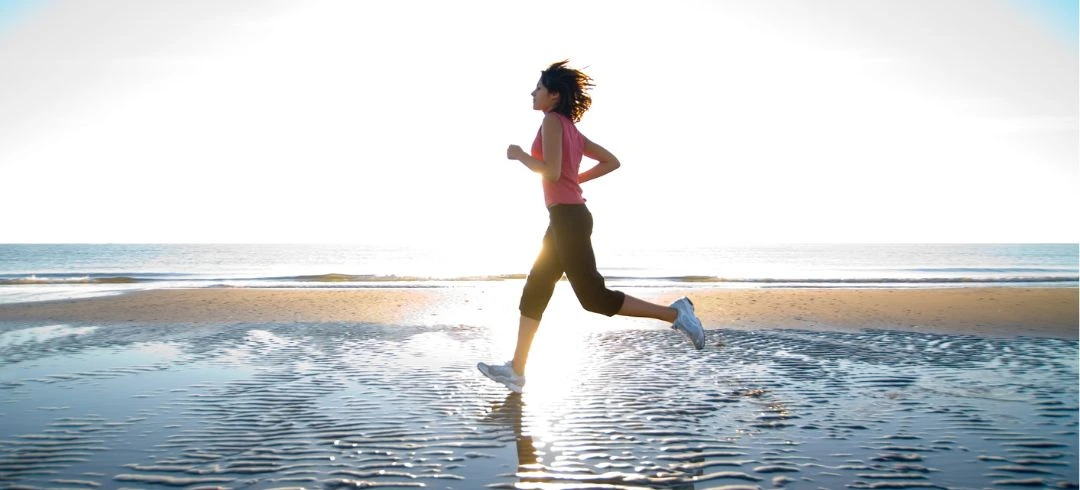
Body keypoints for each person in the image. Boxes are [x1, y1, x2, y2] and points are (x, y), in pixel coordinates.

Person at [478, 60, 706, 394]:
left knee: (593, 298)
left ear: (554, 95)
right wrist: (576, 178)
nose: (533, 92)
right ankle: (516, 370)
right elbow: (611, 161)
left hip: (569, 219)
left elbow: (551, 172)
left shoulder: (553, 122)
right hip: (565, 217)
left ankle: (675, 314)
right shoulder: (570, 127)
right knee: (536, 288)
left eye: (539, 88)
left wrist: (521, 156)